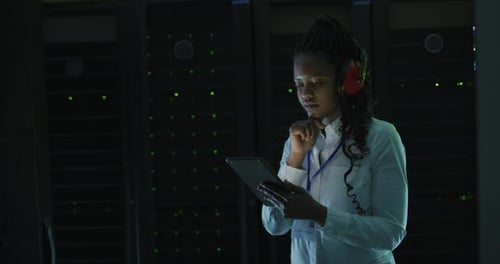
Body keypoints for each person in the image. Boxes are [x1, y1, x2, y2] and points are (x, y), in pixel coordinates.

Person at [258, 14, 408, 264]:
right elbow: (274, 226)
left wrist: (320, 215)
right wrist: (295, 160)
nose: (306, 93)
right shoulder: (294, 141)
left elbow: (391, 233)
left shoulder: (382, 137)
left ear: (347, 82)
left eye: (316, 82)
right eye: (299, 84)